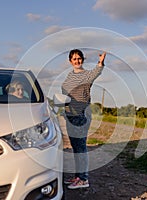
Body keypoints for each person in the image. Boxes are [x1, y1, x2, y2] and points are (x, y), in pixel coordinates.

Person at [62, 49, 106, 189]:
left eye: (79, 58)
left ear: (83, 59)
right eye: (74, 59)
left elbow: (97, 71)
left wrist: (100, 62)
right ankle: (77, 176)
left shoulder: (87, 75)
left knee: (80, 148)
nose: (77, 61)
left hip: (81, 114)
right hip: (70, 114)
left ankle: (83, 179)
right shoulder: (69, 76)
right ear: (70, 61)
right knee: (75, 147)